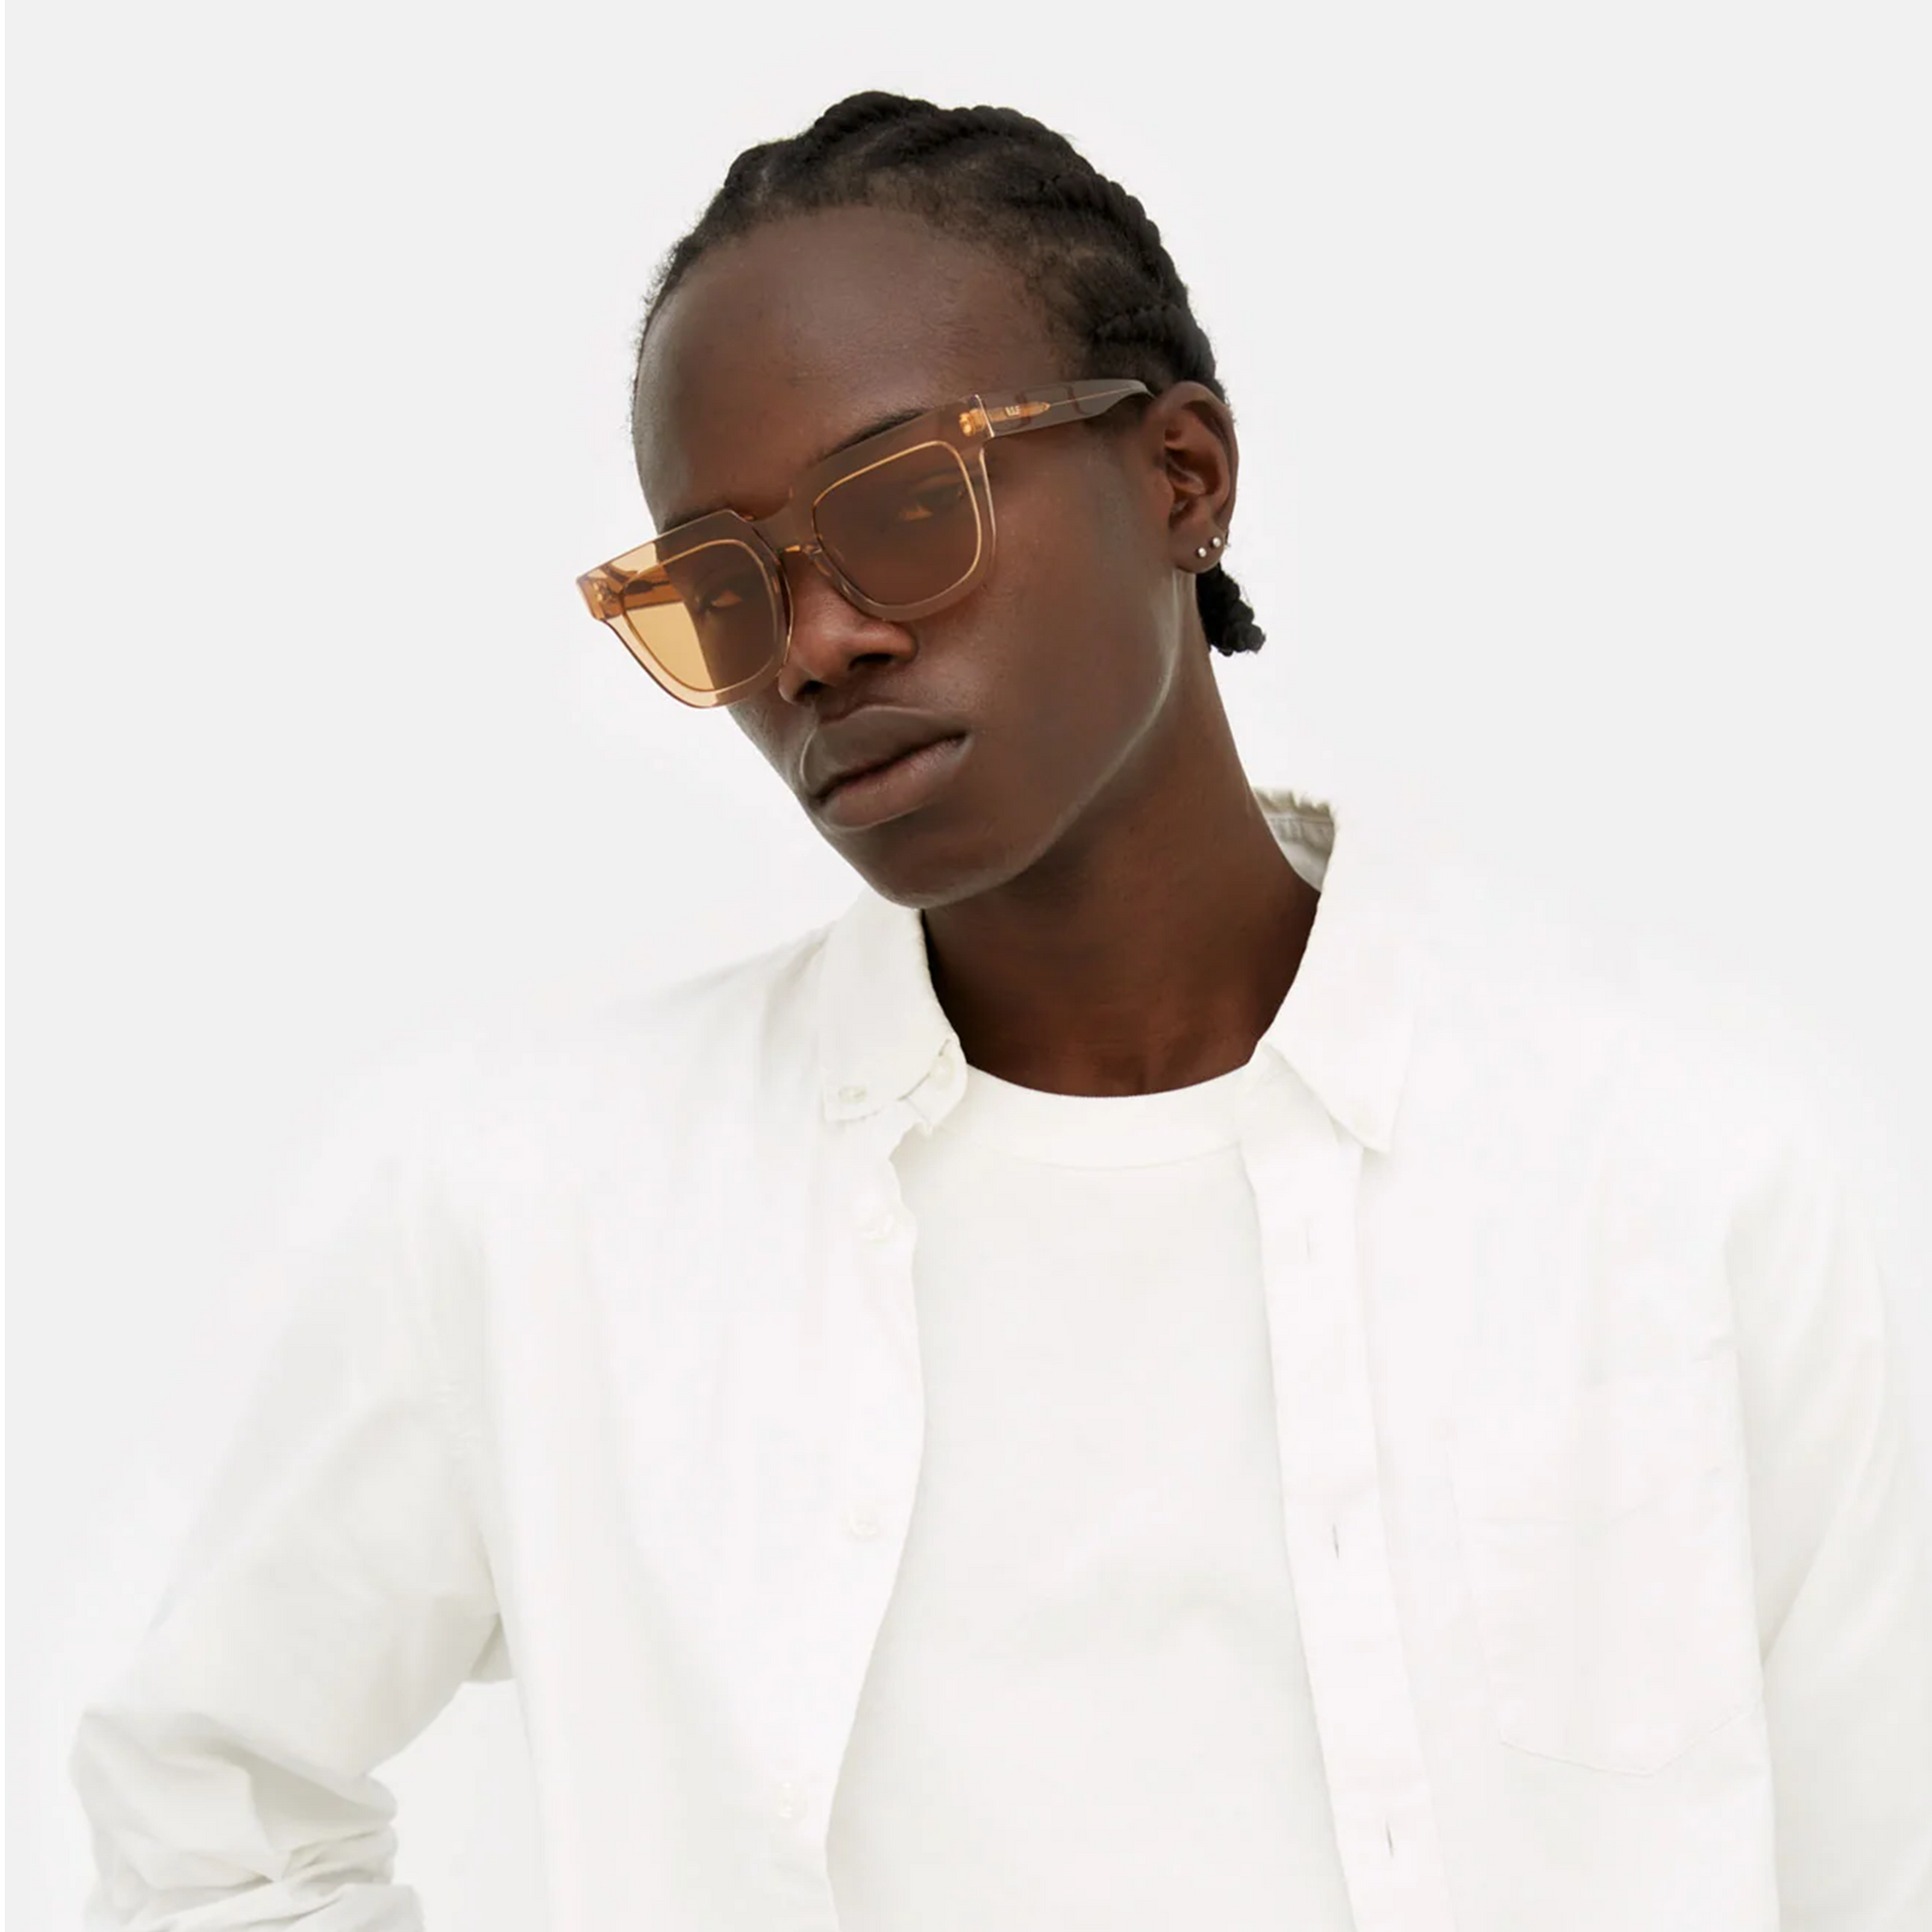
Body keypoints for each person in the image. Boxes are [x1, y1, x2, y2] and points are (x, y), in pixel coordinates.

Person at [70, 90, 1932, 1932]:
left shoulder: (1675, 1175)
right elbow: (204, 1820)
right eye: (723, 588)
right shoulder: (545, 1207)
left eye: (900, 506)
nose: (817, 644)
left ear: (1181, 479)